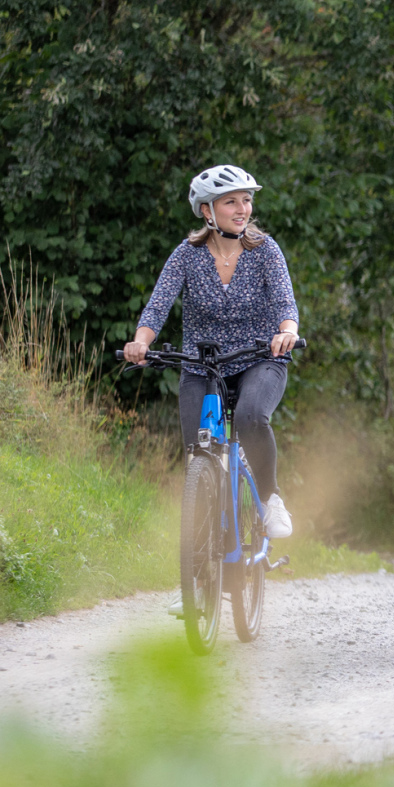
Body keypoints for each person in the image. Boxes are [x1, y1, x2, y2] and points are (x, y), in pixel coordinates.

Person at [123, 164, 300, 540]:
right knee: (197, 452)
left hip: (259, 359)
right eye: (231, 202)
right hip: (202, 365)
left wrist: (287, 332)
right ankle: (199, 569)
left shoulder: (265, 250)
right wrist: (141, 341)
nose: (243, 209)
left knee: (251, 417)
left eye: (247, 201)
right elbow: (158, 306)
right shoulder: (187, 254)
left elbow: (286, 302)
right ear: (207, 210)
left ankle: (270, 500)